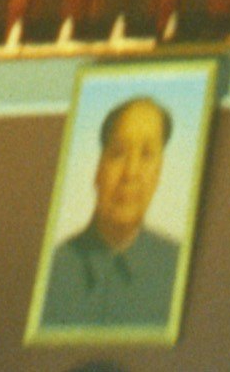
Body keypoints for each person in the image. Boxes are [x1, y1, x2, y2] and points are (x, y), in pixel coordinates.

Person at [40, 93, 181, 330]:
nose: (130, 173)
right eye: (118, 153)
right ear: (98, 168)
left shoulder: (176, 268)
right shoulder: (53, 270)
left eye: (146, 155)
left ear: (159, 173)